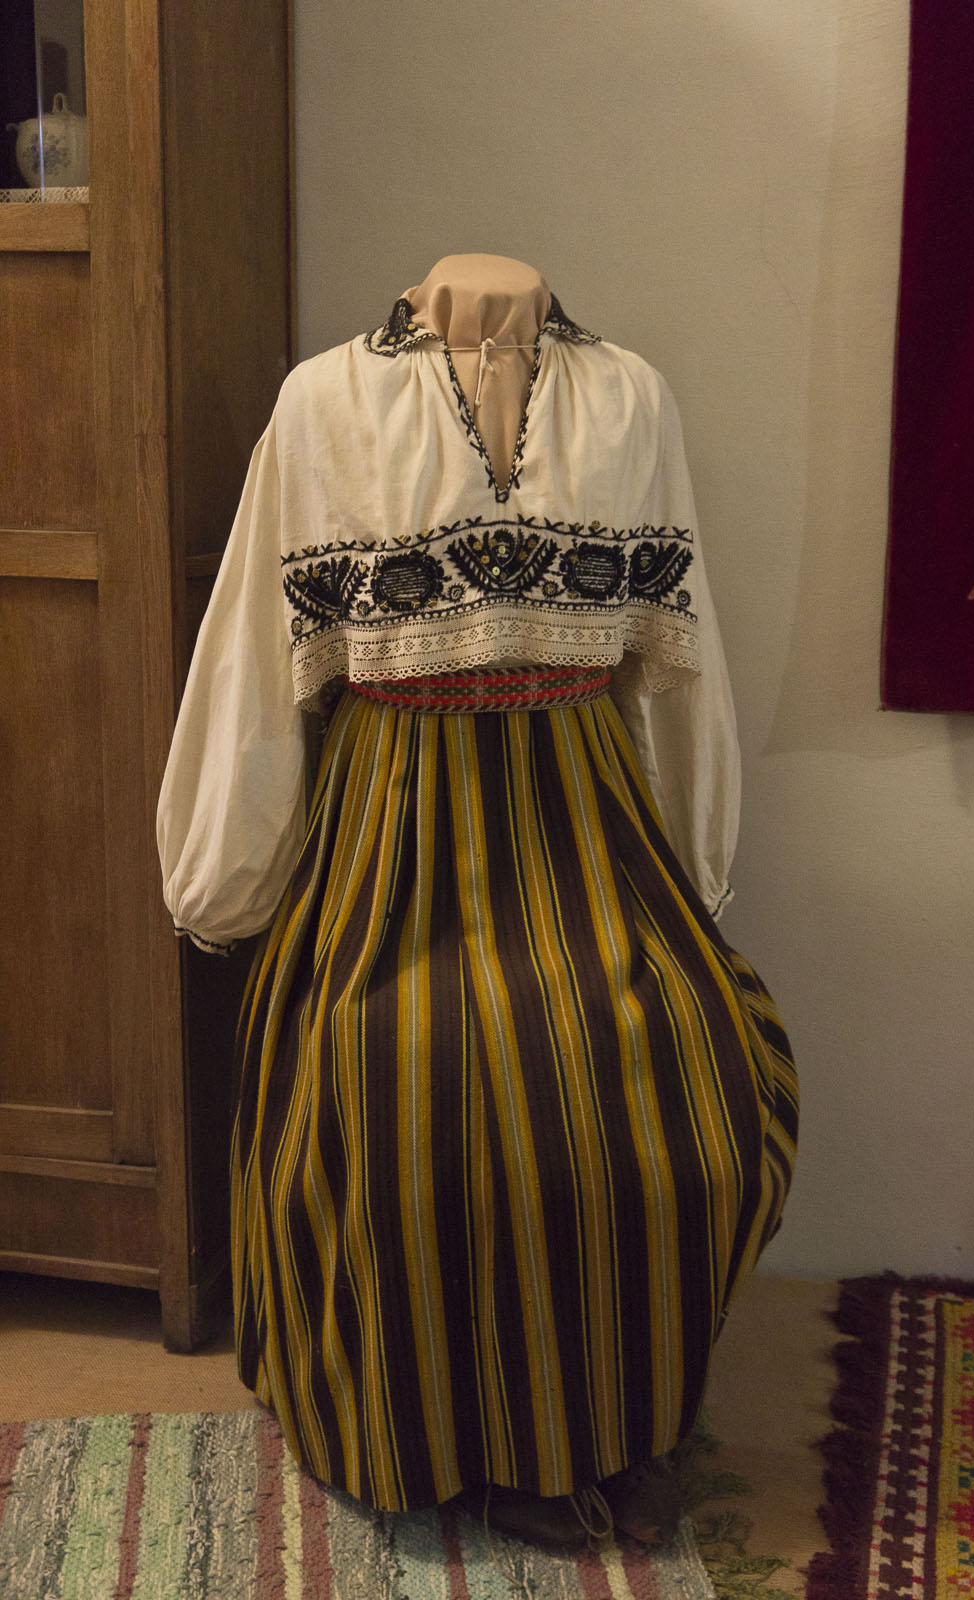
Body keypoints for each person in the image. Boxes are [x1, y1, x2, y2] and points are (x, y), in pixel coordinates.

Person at [157, 254, 798, 1551]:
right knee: (393, 1098)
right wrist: (227, 871)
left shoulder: (632, 398)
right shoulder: (323, 400)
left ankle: (602, 1423)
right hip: (391, 835)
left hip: (584, 820)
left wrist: (692, 868)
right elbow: (255, 660)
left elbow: (678, 660)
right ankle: (429, 1436)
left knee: (692, 1097)